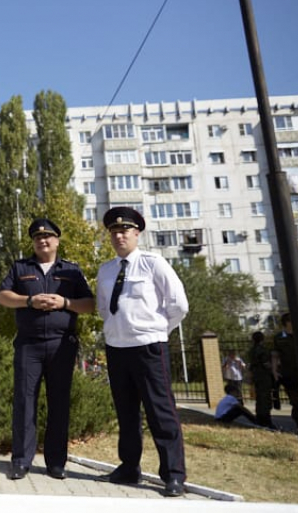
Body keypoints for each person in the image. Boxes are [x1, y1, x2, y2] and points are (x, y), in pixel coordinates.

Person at [96, 207, 189, 498]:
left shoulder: (153, 263)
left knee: (160, 411)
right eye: (114, 232)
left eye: (125, 231)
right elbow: (103, 308)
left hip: (149, 347)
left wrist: (157, 331)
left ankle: (173, 474)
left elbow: (178, 305)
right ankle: (129, 467)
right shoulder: (106, 270)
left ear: (137, 233)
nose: (119, 236)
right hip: (117, 348)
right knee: (126, 413)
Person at [0, 218, 95, 481]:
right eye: (38, 237)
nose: (43, 240)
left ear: (57, 240)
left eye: (48, 236)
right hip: (29, 344)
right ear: (33, 242)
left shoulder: (72, 271)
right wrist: (29, 300)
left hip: (61, 344)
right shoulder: (21, 267)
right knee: (24, 402)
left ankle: (56, 463)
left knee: (59, 404)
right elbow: (2, 296)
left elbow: (89, 304)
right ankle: (20, 461)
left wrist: (65, 302)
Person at [272, 313, 298, 429]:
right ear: (287, 323)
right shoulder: (279, 338)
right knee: (296, 401)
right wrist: (275, 371)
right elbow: (275, 355)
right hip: (289, 373)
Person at [250, 331, 276, 429]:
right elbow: (266, 364)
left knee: (259, 398)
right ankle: (266, 420)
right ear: (262, 339)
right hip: (264, 376)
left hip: (257, 376)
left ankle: (259, 418)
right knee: (265, 398)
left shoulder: (252, 350)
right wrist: (274, 369)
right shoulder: (262, 350)